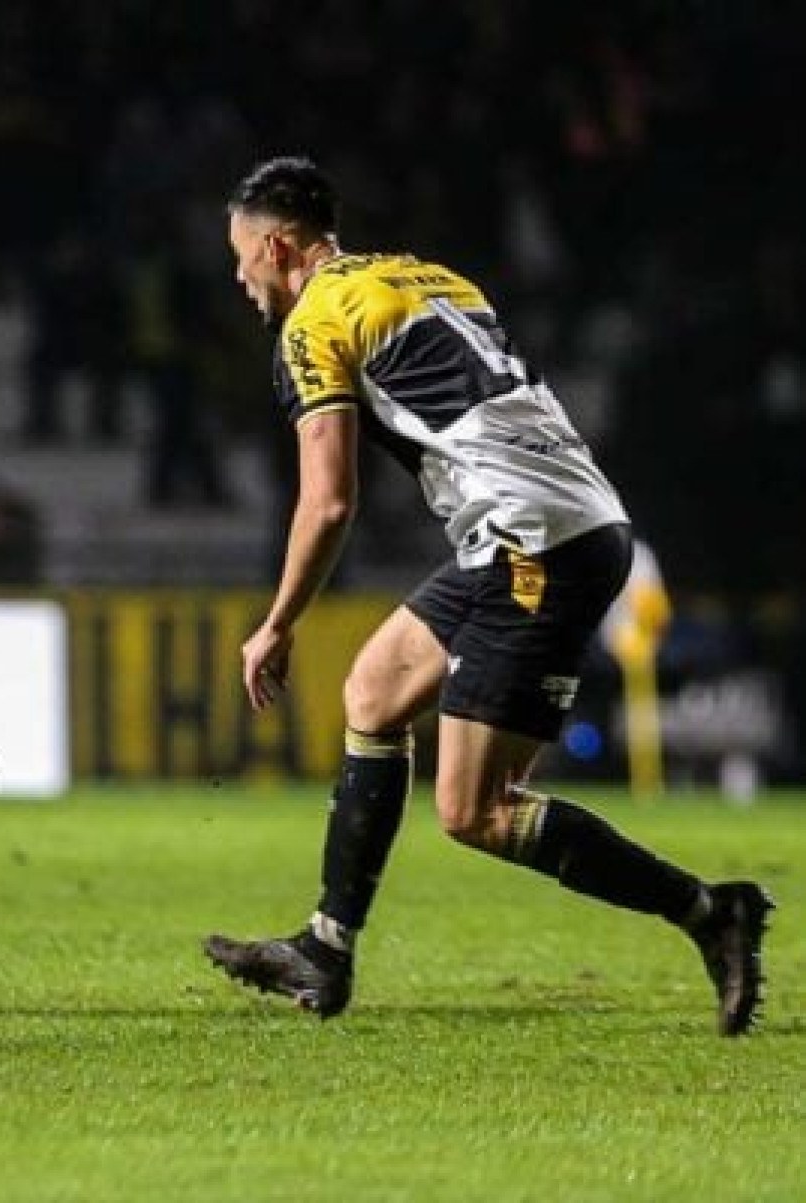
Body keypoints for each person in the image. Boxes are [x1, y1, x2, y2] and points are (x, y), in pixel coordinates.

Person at [201, 157, 773, 1036]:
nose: (240, 279)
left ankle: (709, 911)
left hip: (532, 541)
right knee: (375, 690)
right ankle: (325, 944)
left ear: (278, 245)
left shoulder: (314, 323)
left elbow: (330, 499)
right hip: (551, 521)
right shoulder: (425, 276)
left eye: (242, 258)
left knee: (477, 809)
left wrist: (276, 623)